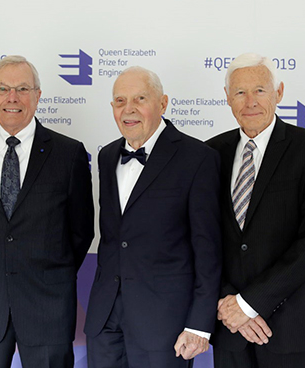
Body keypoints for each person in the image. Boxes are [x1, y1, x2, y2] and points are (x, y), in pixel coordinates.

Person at [0, 55, 94, 368]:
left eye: (22, 89)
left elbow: (81, 231)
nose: (12, 98)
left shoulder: (69, 154)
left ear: (38, 96)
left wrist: (50, 270)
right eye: (2, 89)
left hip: (48, 305)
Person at [84, 66, 222, 368]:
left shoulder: (197, 158)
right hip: (105, 320)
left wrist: (199, 324)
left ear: (163, 103)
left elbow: (208, 250)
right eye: (120, 101)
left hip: (165, 324)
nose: (128, 109)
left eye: (140, 99)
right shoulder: (107, 157)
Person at [207, 53, 305, 368]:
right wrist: (230, 304)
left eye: (260, 90)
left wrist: (250, 304)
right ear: (227, 98)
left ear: (278, 93)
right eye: (239, 92)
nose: (250, 101)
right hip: (229, 326)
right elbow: (203, 238)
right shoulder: (209, 153)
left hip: (288, 325)